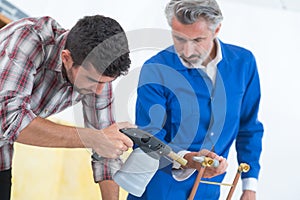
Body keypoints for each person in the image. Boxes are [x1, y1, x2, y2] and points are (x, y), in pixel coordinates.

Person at [130, 0, 264, 199]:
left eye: (198, 40)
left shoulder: (243, 63)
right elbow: (149, 136)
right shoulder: (155, 70)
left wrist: (249, 186)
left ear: (216, 29)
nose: (187, 51)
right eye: (179, 38)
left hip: (209, 191)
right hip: (158, 191)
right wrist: (186, 159)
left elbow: (248, 127)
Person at [0, 15, 135, 200]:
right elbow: (7, 118)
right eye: (93, 81)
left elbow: (106, 149)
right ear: (66, 58)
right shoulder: (29, 39)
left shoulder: (97, 73)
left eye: (106, 83)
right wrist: (94, 139)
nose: (99, 91)